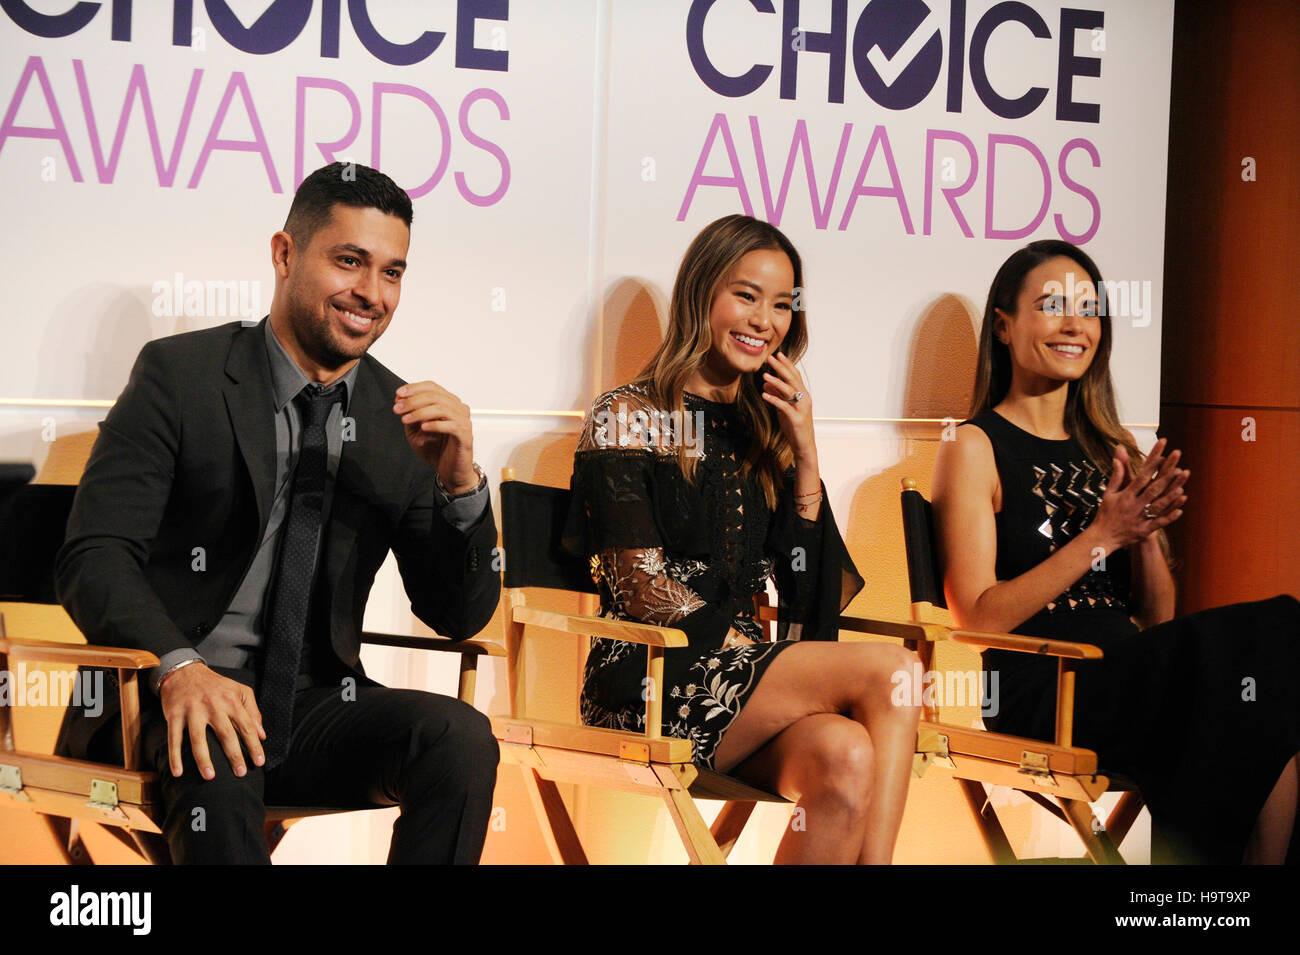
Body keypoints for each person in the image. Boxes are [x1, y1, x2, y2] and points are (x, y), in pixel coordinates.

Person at [55, 162, 501, 864]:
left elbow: (457, 612)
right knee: (219, 745)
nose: (371, 293)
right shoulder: (182, 375)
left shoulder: (397, 418)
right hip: (158, 693)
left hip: (310, 705)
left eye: (392, 272)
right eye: (349, 261)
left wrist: (459, 483)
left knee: (459, 737)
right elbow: (94, 556)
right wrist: (180, 665)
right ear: (285, 254)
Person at [565, 214, 920, 864]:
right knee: (897, 672)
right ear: (702, 293)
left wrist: (806, 458)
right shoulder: (629, 414)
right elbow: (637, 585)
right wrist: (738, 641)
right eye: (746, 295)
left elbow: (815, 610)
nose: (765, 319)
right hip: (646, 679)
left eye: (782, 304)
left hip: (745, 683)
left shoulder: (765, 433)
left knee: (846, 756)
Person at [931, 238, 1300, 864]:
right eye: (1052, 305)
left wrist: (1146, 530)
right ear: (1004, 324)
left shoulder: (1110, 444)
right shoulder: (973, 446)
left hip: (1133, 669)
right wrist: (1101, 536)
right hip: (1043, 686)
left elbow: (1157, 619)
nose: (1075, 325)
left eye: (1089, 309)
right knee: (1259, 649)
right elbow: (980, 617)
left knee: (1271, 667)